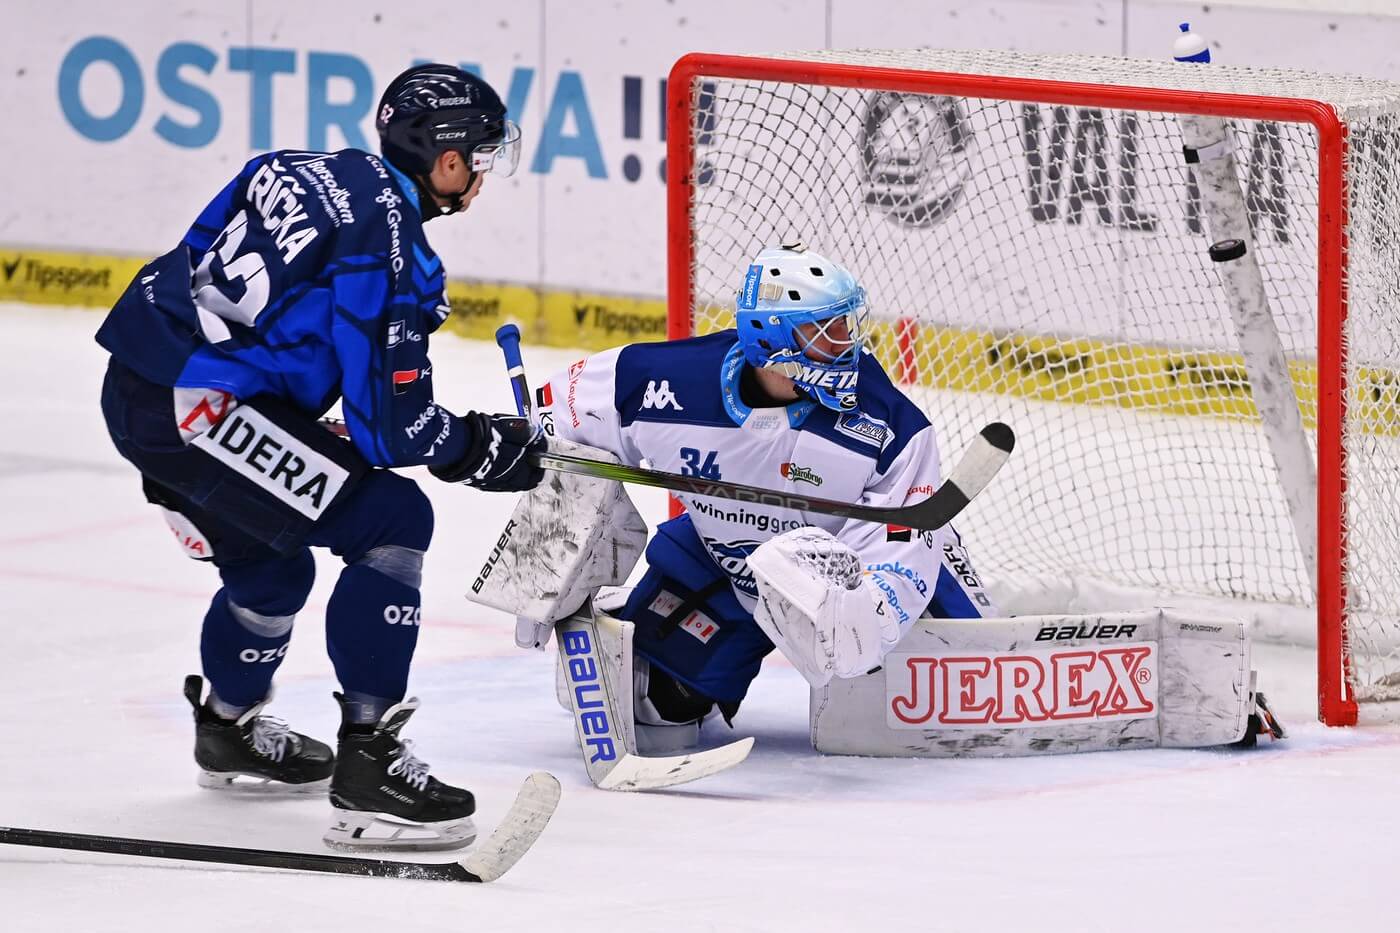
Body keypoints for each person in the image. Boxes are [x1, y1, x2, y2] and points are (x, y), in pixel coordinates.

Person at [95, 64, 546, 850]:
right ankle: (369, 767)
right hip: (202, 410)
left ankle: (227, 729)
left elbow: (198, 266)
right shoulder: (392, 246)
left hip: (140, 385)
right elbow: (393, 433)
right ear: (445, 161)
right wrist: (480, 446)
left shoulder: (295, 167)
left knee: (275, 571)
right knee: (393, 517)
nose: (481, 172)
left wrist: (276, 416)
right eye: (479, 153)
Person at [529, 243, 995, 750]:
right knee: (653, 707)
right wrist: (544, 550)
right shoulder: (661, 380)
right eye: (827, 332)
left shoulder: (886, 421)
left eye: (846, 326)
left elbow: (903, 533)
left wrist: (876, 606)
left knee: (969, 689)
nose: (847, 344)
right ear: (772, 340)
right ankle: (634, 625)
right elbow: (553, 426)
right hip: (727, 562)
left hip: (853, 566)